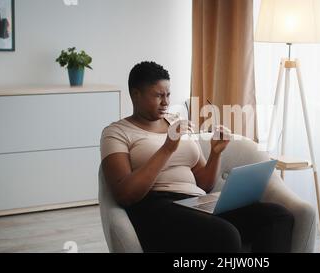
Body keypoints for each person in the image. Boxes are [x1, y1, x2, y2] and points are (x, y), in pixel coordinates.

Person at [100, 61, 294, 252]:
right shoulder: (116, 133)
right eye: (158, 95)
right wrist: (167, 148)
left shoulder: (175, 122)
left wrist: (215, 153)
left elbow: (204, 184)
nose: (166, 102)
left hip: (195, 202)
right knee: (224, 234)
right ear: (136, 94)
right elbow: (125, 194)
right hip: (156, 207)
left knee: (278, 216)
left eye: (168, 94)